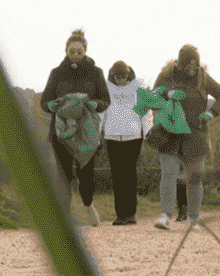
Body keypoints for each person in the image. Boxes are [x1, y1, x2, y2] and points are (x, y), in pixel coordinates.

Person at [152, 45, 220, 232]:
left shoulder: (203, 78)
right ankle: (165, 215)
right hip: (169, 131)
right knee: (169, 173)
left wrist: (212, 113)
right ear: (180, 63)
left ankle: (193, 218)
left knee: (195, 176)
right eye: (188, 66)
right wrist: (168, 93)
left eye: (195, 66)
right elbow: (153, 94)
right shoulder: (166, 75)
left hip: (195, 133)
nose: (191, 69)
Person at [41, 29, 111, 226]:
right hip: (61, 131)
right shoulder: (56, 73)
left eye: (79, 52)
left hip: (85, 132)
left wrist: (96, 105)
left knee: (85, 173)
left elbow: (105, 99)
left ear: (85, 52)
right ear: (66, 51)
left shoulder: (96, 73)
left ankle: (88, 205)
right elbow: (45, 101)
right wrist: (51, 106)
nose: (75, 55)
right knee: (63, 173)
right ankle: (63, 217)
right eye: (71, 51)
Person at [100, 61, 151, 226]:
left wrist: (148, 130)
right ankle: (120, 214)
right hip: (112, 136)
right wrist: (97, 130)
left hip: (133, 136)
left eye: (123, 76)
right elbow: (102, 112)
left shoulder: (138, 86)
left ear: (128, 75)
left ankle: (130, 214)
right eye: (118, 77)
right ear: (113, 75)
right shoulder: (106, 88)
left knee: (129, 174)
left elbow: (145, 110)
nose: (121, 80)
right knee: (117, 175)